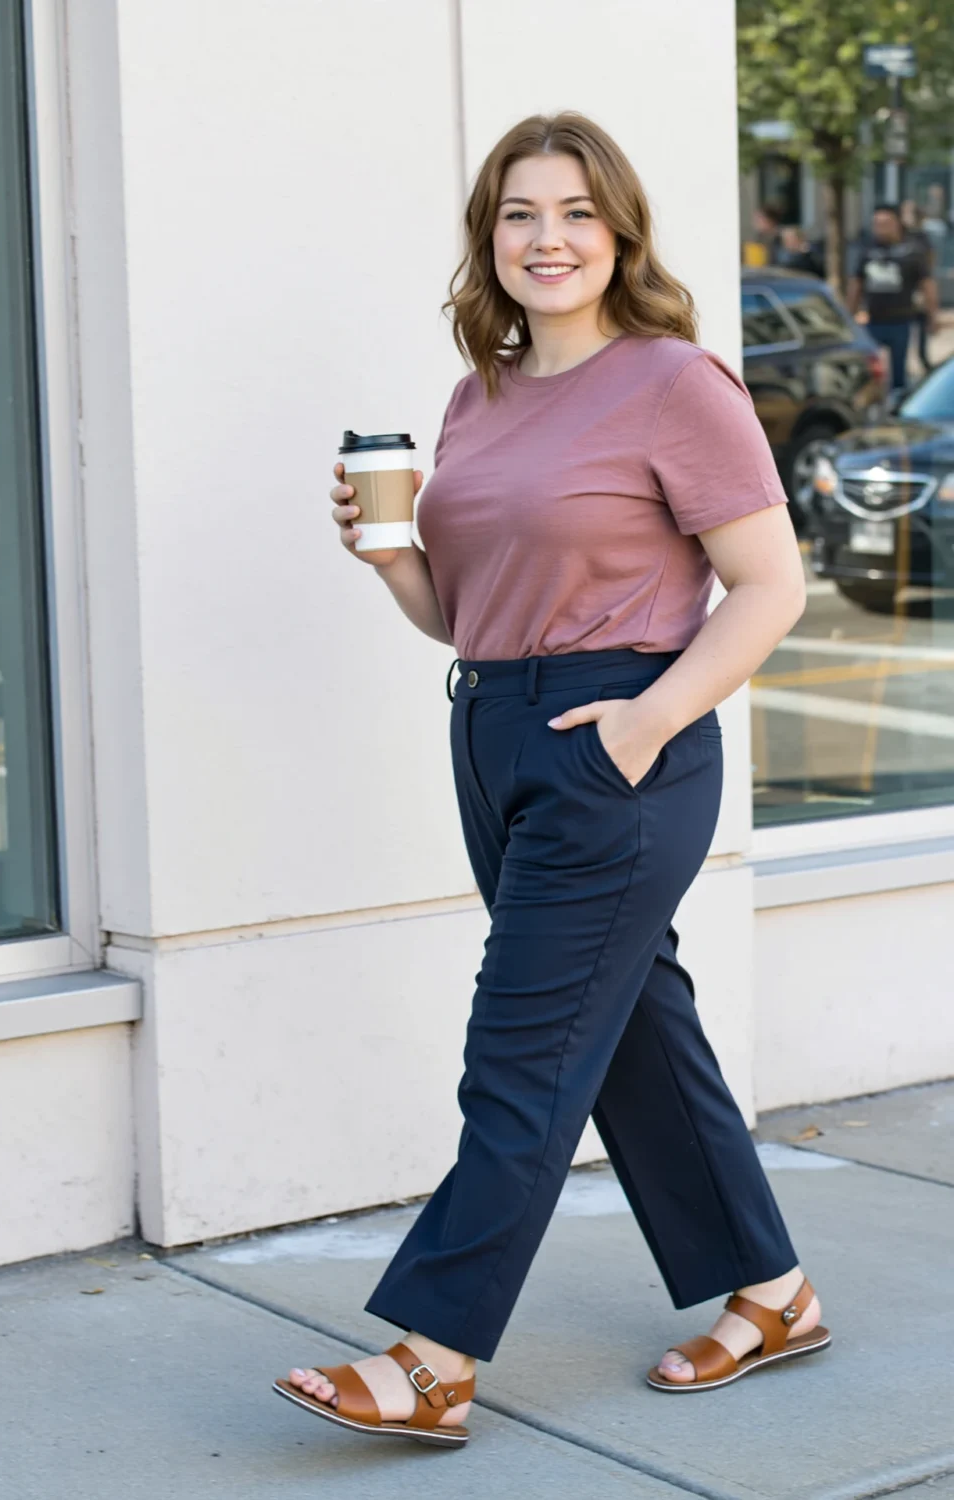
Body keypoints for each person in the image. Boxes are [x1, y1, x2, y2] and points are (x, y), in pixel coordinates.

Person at [275, 111, 829, 1448]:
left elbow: (771, 588)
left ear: (619, 229)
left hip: (617, 746)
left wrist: (643, 727)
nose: (549, 237)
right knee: (632, 1031)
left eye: (576, 211)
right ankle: (775, 1293)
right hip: (493, 726)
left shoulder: (675, 382)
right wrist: (393, 558)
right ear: (491, 238)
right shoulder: (480, 396)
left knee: (521, 1054)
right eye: (520, 213)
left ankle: (436, 1353)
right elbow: (467, 610)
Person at [848, 203, 938, 389]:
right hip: (872, 320)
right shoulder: (867, 250)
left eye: (885, 223)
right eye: (877, 223)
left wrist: (932, 316)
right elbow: (856, 284)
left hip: (901, 320)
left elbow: (927, 285)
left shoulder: (912, 251)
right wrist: (850, 316)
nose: (880, 228)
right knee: (868, 372)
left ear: (897, 223)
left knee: (899, 373)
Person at [900, 199, 936, 373]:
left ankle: (922, 358)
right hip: (903, 288)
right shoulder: (901, 236)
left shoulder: (921, 238)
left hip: (918, 286)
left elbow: (930, 261)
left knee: (921, 324)